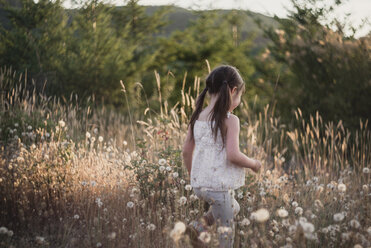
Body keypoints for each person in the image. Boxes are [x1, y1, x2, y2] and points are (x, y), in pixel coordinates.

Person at [182, 64, 262, 248]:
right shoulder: (230, 120)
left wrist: (193, 175)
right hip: (218, 188)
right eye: (240, 95)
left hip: (199, 185)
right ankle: (199, 229)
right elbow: (233, 155)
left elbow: (186, 151)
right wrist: (253, 164)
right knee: (226, 240)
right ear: (233, 91)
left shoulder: (197, 116)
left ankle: (197, 227)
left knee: (235, 207)